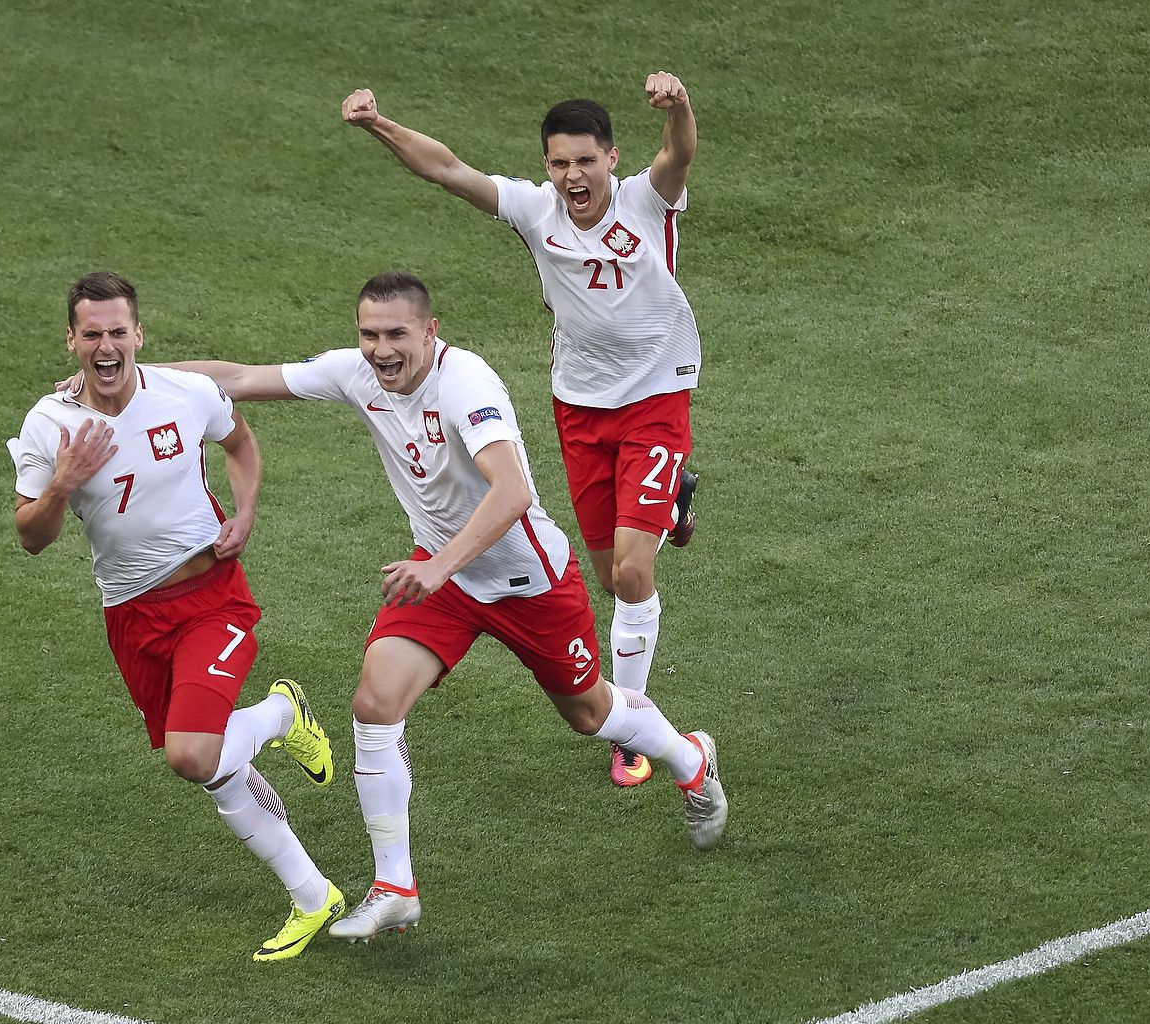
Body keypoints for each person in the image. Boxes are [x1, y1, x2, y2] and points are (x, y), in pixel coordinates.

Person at [147, 272, 727, 942]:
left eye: (396, 334)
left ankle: (690, 758)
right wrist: (134, 380)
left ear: (430, 330)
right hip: (442, 581)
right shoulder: (355, 373)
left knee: (590, 712)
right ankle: (395, 884)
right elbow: (239, 378)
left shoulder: (466, 383)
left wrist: (437, 565)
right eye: (369, 334)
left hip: (525, 580)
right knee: (375, 701)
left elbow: (509, 492)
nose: (381, 349)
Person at [342, 74, 704, 789]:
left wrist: (681, 105)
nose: (573, 175)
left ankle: (629, 732)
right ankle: (671, 505)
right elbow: (448, 170)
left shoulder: (644, 199)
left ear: (610, 158)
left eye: (586, 161)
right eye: (559, 162)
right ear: (548, 166)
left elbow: (680, 154)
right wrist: (379, 124)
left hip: (657, 398)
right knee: (605, 573)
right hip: (578, 408)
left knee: (633, 572)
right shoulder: (538, 212)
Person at [8, 271, 345, 962]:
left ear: (139, 334)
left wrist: (245, 510)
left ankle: (282, 718)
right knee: (204, 763)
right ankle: (314, 893)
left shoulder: (184, 393)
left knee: (195, 751)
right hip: (131, 615)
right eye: (92, 333)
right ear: (71, 340)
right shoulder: (50, 426)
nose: (107, 345)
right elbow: (31, 537)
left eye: (118, 330)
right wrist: (62, 484)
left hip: (211, 597)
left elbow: (241, 443)